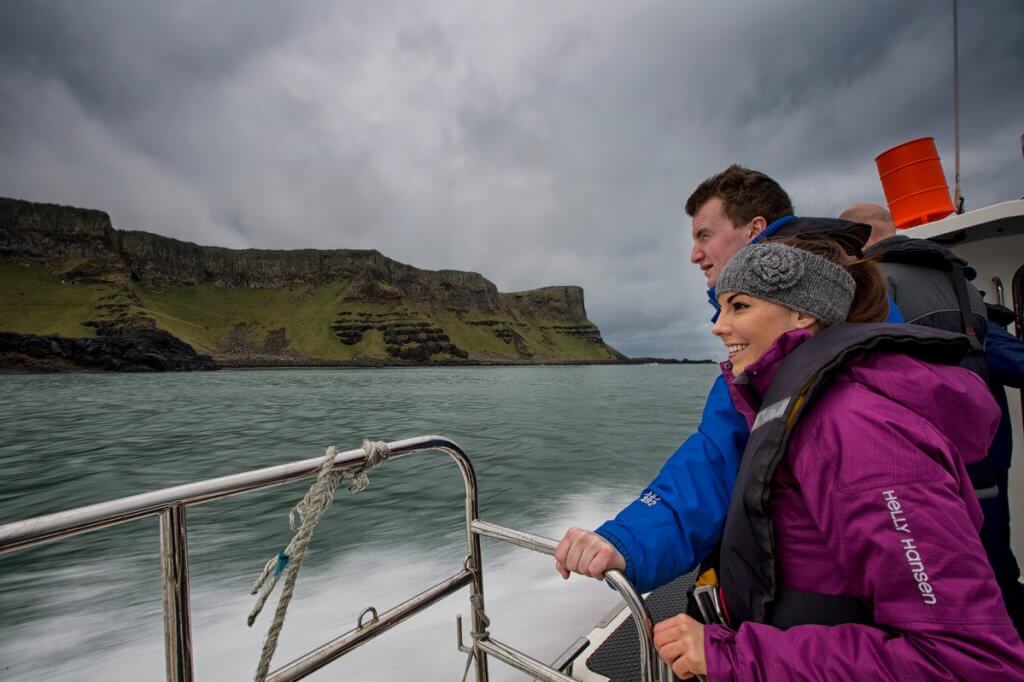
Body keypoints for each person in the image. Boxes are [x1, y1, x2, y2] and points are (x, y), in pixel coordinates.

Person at [652, 239, 1024, 680]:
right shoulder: (809, 408)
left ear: (802, 314)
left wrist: (730, 657)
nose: (719, 326)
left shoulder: (860, 429)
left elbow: (968, 661)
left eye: (739, 306)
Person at [555, 166, 897, 593]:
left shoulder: (852, 398)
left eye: (703, 235)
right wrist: (627, 538)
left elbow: (718, 459)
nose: (694, 254)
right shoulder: (824, 332)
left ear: (755, 231)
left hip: (813, 630)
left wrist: (733, 653)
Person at [841, 201, 1024, 637]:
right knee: (997, 573)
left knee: (937, 594)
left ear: (856, 241)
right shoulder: (960, 283)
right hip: (989, 456)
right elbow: (1005, 358)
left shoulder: (873, 287)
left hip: (924, 467)